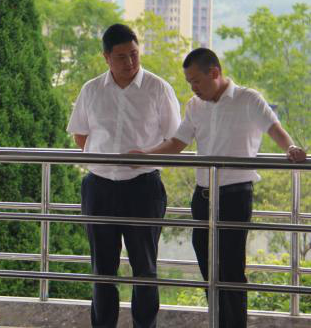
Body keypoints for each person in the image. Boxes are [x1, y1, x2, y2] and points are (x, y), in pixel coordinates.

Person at [133, 47, 306, 327]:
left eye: (196, 81)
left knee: (231, 270)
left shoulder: (248, 99)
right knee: (207, 267)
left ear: (214, 72)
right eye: (189, 82)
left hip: (235, 196)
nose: (193, 88)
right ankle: (219, 321)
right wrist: (145, 155)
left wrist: (291, 148)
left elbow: (276, 130)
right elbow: (177, 143)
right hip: (202, 196)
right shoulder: (195, 106)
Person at [67, 24, 181, 328]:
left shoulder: (158, 88)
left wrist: (147, 155)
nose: (130, 62)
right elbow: (80, 136)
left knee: (145, 269)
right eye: (121, 57)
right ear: (106, 57)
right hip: (99, 188)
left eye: (134, 54)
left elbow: (175, 140)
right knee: (102, 270)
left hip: (143, 188)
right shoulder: (91, 90)